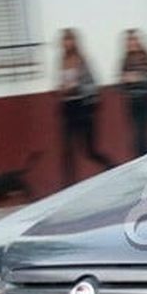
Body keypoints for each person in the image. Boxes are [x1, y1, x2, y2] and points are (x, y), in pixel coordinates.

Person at [57, 28, 114, 186]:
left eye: (69, 40)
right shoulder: (62, 61)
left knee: (89, 150)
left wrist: (76, 87)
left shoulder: (82, 61)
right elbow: (61, 84)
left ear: (75, 42)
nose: (67, 43)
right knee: (67, 150)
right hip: (67, 108)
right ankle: (68, 185)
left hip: (82, 107)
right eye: (64, 40)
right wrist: (62, 89)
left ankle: (112, 167)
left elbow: (92, 84)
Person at [119, 29, 147, 158]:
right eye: (129, 41)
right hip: (133, 103)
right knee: (136, 137)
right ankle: (144, 158)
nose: (131, 44)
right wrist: (124, 81)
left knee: (142, 136)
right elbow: (122, 84)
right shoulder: (125, 61)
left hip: (146, 101)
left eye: (133, 40)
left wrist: (137, 77)